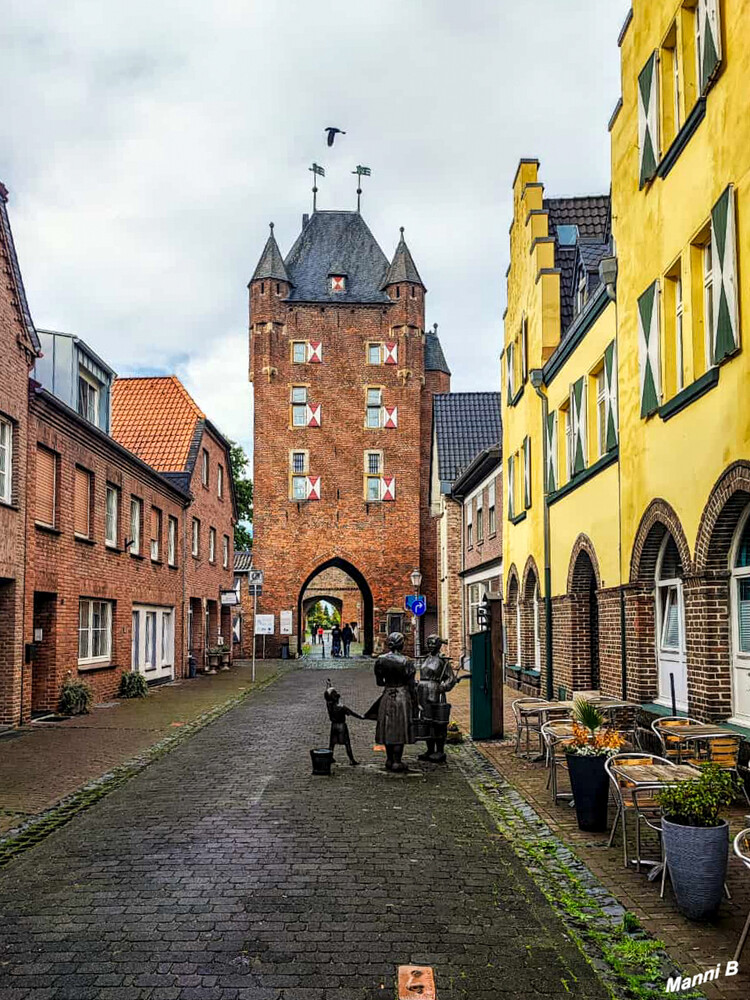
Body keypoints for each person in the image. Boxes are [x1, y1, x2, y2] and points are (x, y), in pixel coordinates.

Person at [364, 632, 417, 773]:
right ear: (402, 644)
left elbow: (379, 682)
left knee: (388, 727)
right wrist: (415, 701)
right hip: (402, 696)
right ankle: (397, 761)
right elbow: (411, 685)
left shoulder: (380, 660)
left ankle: (389, 759)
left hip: (387, 694)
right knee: (399, 729)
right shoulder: (407, 661)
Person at [416, 634, 464, 763]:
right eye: (429, 643)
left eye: (433, 644)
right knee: (427, 721)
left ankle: (440, 750)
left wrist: (443, 687)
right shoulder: (426, 658)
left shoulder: (443, 660)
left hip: (434, 691)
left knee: (438, 722)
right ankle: (430, 749)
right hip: (423, 691)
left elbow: (451, 678)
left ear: (438, 645)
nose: (430, 646)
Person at [324, 679, 361, 765]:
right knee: (347, 743)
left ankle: (330, 758)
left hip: (334, 726)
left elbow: (328, 695)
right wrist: (362, 717)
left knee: (332, 744)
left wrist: (328, 685)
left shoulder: (329, 705)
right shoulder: (341, 707)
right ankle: (352, 760)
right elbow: (352, 713)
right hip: (341, 726)